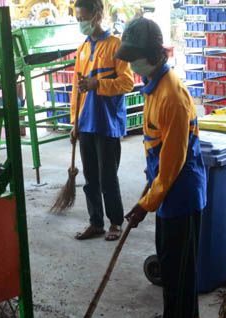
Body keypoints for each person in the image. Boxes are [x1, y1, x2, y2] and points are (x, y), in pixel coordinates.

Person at [116, 18, 207, 318]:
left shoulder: (171, 95)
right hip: (167, 185)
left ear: (154, 55)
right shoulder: (153, 85)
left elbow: (173, 164)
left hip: (179, 191)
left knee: (174, 267)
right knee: (181, 263)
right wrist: (149, 187)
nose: (132, 64)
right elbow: (157, 150)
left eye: (136, 58)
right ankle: (189, 316)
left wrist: (146, 204)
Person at [71, 0, 134, 242]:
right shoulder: (83, 49)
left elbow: (127, 83)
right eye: (77, 19)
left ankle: (115, 223)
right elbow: (77, 91)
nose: (81, 23)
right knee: (90, 178)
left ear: (97, 15)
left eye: (83, 18)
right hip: (86, 122)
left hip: (107, 123)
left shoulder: (116, 46)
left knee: (108, 177)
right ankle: (95, 222)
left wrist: (99, 84)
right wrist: (74, 123)